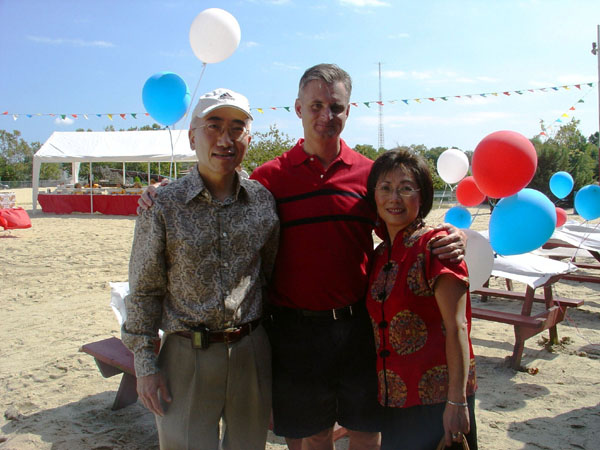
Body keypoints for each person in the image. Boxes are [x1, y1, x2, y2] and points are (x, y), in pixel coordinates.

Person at [139, 64, 465, 450]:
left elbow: (400, 227)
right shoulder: (269, 179)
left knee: (366, 432)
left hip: (358, 327)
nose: (326, 115)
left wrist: (449, 234)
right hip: (295, 332)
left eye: (336, 107)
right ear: (298, 108)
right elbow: (223, 187)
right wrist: (162, 191)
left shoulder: (369, 176)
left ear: (348, 110)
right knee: (312, 437)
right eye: (316, 106)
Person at [122, 88, 280, 450]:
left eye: (237, 128)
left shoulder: (262, 202)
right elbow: (144, 290)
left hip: (250, 352)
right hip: (185, 356)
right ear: (192, 136)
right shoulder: (163, 205)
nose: (225, 139)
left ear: (248, 139)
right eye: (214, 126)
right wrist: (145, 366)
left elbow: (268, 274)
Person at [365, 149, 477, 449]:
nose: (394, 198)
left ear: (422, 195)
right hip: (393, 398)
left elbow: (457, 327)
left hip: (438, 402)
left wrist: (457, 402)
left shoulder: (438, 247)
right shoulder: (379, 255)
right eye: (385, 188)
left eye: (406, 188)